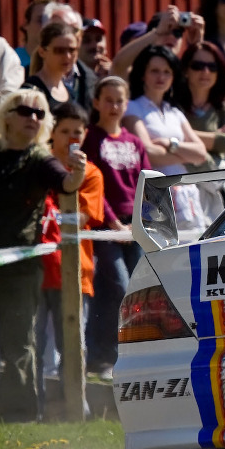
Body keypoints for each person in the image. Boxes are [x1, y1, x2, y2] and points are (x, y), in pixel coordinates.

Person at [0, 88, 87, 422]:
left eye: (39, 114)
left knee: (18, 345)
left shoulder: (39, 158)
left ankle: (20, 416)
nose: (33, 119)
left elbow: (66, 184)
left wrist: (77, 172)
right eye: (25, 111)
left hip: (20, 268)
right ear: (7, 117)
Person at [35, 101, 104, 405]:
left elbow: (80, 217)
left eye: (78, 132)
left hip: (75, 271)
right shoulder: (37, 167)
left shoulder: (92, 173)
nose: (72, 138)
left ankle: (76, 407)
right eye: (65, 131)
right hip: (37, 269)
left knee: (73, 345)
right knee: (34, 343)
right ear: (52, 132)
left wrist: (73, 177)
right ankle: (34, 406)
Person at [82, 76, 149, 375]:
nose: (113, 106)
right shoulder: (91, 138)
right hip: (105, 229)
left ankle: (128, 355)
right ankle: (101, 355)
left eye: (119, 100)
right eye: (107, 100)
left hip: (135, 228)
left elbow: (147, 183)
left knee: (137, 292)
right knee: (117, 286)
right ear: (96, 102)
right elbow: (93, 186)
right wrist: (114, 224)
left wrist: (141, 222)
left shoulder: (134, 142)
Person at [124, 45, 210, 231]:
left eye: (166, 72)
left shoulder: (175, 113)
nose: (161, 77)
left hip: (186, 194)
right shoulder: (132, 108)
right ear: (142, 74)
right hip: (155, 196)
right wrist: (186, 154)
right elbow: (149, 153)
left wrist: (170, 144)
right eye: (154, 71)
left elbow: (201, 153)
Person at [178, 42, 225, 220]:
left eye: (212, 67)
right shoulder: (174, 104)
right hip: (182, 188)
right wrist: (215, 137)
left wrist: (183, 137)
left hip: (217, 187)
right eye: (198, 66)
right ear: (185, 70)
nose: (205, 72)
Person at [111, 5, 205, 79]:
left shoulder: (182, 75)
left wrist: (197, 44)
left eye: (177, 33)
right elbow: (118, 66)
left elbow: (202, 80)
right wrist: (156, 33)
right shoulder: (138, 72)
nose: (171, 36)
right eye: (166, 31)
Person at [23, 21, 79, 111]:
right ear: (42, 52)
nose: (67, 56)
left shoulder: (70, 92)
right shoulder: (30, 90)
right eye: (59, 50)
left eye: (72, 50)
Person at [15, 0, 55, 69]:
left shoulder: (65, 62)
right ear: (26, 24)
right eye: (40, 20)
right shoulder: (11, 60)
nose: (45, 25)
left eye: (51, 21)